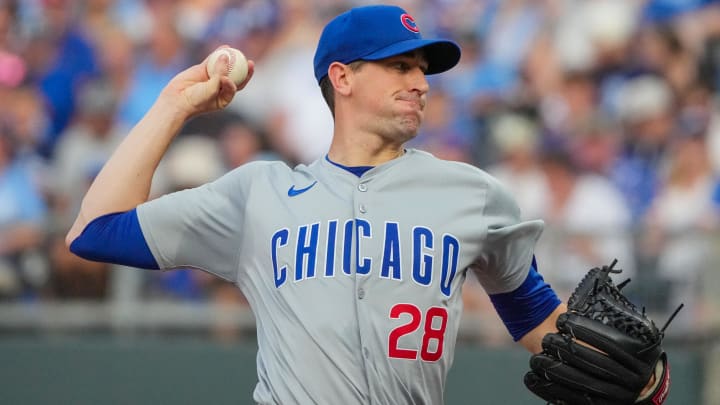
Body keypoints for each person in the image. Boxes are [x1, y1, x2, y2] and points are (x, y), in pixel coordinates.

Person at [66, 5, 665, 405]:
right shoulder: (257, 195)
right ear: (342, 78)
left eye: (423, 69)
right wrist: (174, 106)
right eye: (400, 65)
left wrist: (641, 382)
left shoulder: (473, 195)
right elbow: (95, 231)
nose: (421, 82)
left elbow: (535, 318)